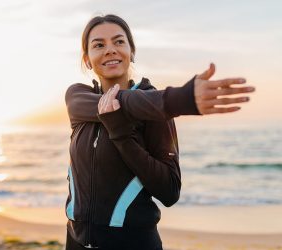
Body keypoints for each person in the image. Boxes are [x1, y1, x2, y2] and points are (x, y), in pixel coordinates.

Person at [64, 14, 255, 250]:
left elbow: (169, 192)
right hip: (76, 240)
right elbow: (125, 102)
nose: (110, 50)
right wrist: (181, 99)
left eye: (119, 42)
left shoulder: (154, 113)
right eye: (99, 45)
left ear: (131, 51)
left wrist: (122, 135)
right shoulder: (77, 98)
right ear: (87, 59)